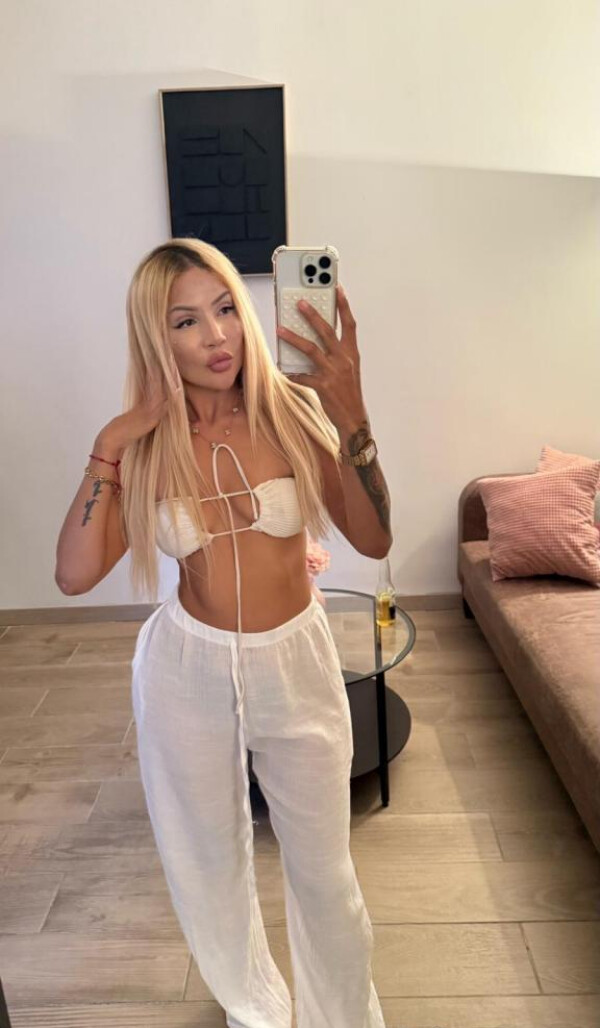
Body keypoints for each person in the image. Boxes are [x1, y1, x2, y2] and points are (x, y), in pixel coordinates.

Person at [55, 238, 393, 1028]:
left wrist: (351, 412)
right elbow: (74, 575)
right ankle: (255, 1009)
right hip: (187, 671)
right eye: (185, 321)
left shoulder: (293, 413)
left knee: (325, 874)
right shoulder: (146, 446)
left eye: (224, 310)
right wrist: (111, 441)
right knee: (205, 864)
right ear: (156, 338)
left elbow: (374, 538)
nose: (216, 336)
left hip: (294, 661)